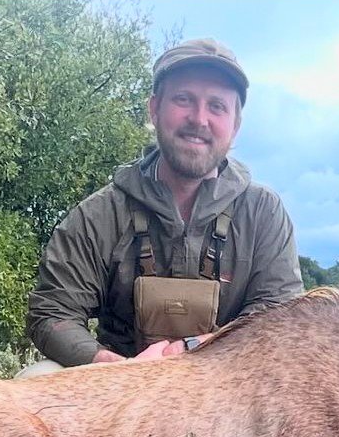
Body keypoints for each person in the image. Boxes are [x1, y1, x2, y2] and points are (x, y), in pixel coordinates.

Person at [21, 39, 304, 376]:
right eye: (184, 100)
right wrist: (115, 369)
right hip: (116, 392)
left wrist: (192, 349)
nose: (199, 119)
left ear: (235, 125)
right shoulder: (98, 214)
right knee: (36, 377)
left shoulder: (264, 212)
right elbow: (53, 314)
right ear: (154, 109)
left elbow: (279, 319)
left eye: (217, 106)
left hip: (229, 390)